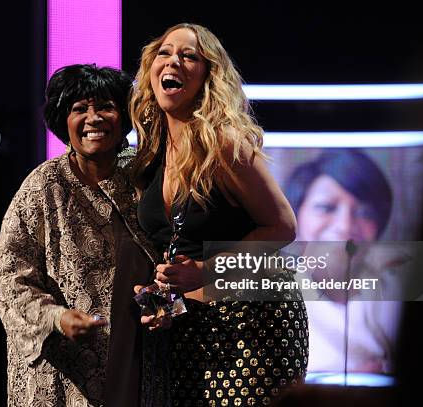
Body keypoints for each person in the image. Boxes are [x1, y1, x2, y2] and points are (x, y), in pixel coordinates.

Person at [131, 23, 309, 406]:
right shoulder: (153, 152)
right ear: (150, 69)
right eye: (164, 52)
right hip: (189, 327)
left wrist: (206, 270)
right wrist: (159, 296)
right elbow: (176, 245)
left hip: (253, 323)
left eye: (188, 55)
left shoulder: (224, 143)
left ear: (208, 76)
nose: (173, 60)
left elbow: (282, 226)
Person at [0, 64, 157, 407]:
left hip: (136, 360)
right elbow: (9, 278)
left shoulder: (146, 177)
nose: (94, 118)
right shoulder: (42, 185)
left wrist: (164, 304)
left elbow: (167, 259)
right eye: (80, 109)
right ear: (62, 122)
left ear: (124, 116)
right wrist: (57, 317)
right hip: (60, 374)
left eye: (105, 107)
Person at [285, 148, 401, 375]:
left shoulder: (395, 287)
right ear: (295, 219)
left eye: (365, 213)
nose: (346, 226)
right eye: (326, 208)